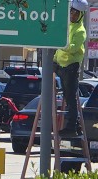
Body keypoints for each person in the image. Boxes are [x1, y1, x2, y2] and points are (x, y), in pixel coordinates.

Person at [53, 0, 88, 137]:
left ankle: (71, 127)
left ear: (81, 15)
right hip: (60, 66)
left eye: (76, 12)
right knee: (65, 96)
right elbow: (58, 50)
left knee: (70, 98)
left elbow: (72, 48)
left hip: (71, 67)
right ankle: (76, 125)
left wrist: (62, 43)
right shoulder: (67, 26)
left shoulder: (80, 31)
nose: (72, 14)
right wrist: (54, 60)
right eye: (71, 11)